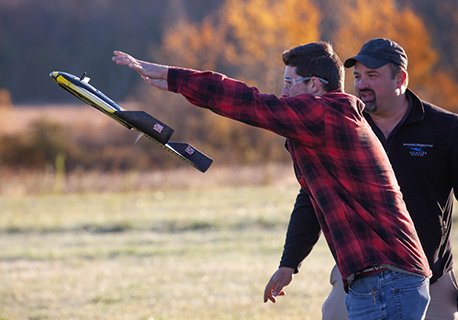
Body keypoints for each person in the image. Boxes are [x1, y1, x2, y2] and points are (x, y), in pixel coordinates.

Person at [112, 41, 432, 319]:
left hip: (386, 279)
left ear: (315, 86)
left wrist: (172, 77)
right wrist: (289, 263)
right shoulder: (326, 126)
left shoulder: (325, 115)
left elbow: (250, 103)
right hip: (382, 277)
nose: (283, 93)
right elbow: (311, 199)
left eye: (289, 83)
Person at [264, 38, 458, 319]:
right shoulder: (342, 125)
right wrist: (289, 263)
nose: (361, 84)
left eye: (373, 75)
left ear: (400, 78)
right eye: (357, 76)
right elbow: (312, 197)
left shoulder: (446, 129)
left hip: (431, 277)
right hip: (359, 274)